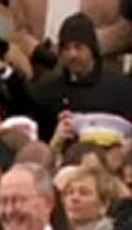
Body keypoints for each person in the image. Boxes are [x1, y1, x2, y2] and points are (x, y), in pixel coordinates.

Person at [31, 13, 132, 143]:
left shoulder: (120, 89)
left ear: (92, 49)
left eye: (78, 47)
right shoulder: (48, 92)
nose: (72, 54)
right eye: (66, 48)